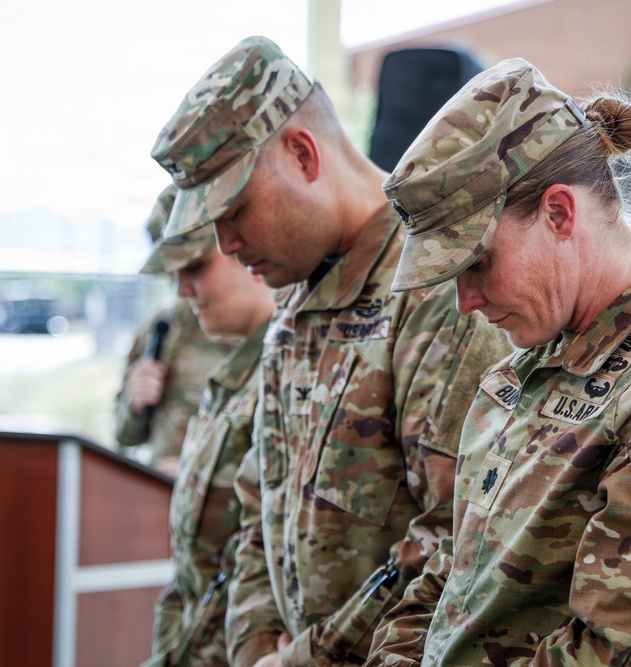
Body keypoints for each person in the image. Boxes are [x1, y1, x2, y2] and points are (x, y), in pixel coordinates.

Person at [365, 59, 631, 665]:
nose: (466, 300)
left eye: (478, 264)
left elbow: (627, 654)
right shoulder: (531, 364)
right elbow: (451, 571)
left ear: (559, 213)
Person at [150, 36, 511, 666]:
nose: (226, 243)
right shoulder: (295, 297)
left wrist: (305, 659)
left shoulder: (435, 289)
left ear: (301, 153)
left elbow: (461, 539)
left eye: (235, 210)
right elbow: (258, 505)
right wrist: (256, 644)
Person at [139, 222, 275, 666]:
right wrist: (133, 397)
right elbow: (127, 427)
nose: (181, 289)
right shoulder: (165, 330)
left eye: (195, 267)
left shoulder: (286, 363)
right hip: (196, 627)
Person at [116, 184, 237, 475]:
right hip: (159, 495)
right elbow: (125, 435)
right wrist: (134, 404)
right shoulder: (160, 327)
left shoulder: (252, 327)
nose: (180, 285)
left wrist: (196, 473)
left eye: (192, 267)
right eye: (171, 271)